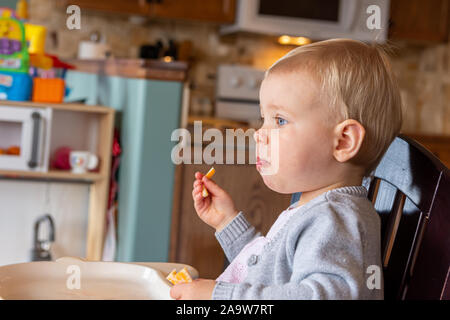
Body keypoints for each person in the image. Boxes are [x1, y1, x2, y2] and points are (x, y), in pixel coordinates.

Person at [170, 38, 403, 300]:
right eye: (263, 119)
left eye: (280, 120)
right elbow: (270, 271)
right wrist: (227, 222)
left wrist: (222, 298)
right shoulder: (318, 208)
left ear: (344, 141)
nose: (259, 134)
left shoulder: (333, 219)